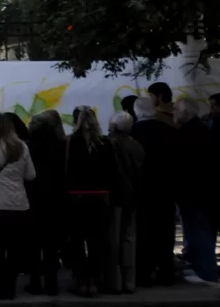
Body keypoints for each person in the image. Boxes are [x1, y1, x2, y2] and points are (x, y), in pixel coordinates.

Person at [0, 112, 36, 301]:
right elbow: (31, 176)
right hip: (19, 202)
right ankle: (11, 285)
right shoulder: (22, 146)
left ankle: (0, 285)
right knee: (14, 245)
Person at [64, 106, 116, 297]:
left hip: (75, 198)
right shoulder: (105, 143)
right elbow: (112, 172)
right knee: (97, 242)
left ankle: (80, 281)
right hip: (100, 197)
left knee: (76, 241)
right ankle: (94, 281)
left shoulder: (69, 142)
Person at [130, 96, 179, 287]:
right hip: (165, 190)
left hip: (141, 191)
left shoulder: (133, 132)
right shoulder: (169, 131)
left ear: (136, 112)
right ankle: (166, 273)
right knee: (165, 232)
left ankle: (143, 273)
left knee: (143, 233)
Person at [173, 98, 217, 284]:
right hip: (203, 192)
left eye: (176, 110)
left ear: (185, 113)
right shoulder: (203, 130)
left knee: (199, 232)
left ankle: (206, 272)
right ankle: (202, 268)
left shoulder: (189, 134)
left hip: (194, 193)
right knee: (201, 231)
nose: (173, 113)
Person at [25, 109, 66, 296]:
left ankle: (35, 282)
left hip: (33, 198)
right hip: (56, 198)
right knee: (51, 245)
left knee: (33, 244)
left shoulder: (28, 147)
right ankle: (52, 284)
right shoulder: (62, 145)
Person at [107, 111, 144, 294]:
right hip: (132, 197)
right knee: (129, 239)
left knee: (113, 240)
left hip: (114, 198)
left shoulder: (108, 144)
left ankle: (115, 282)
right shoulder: (137, 145)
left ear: (113, 126)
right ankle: (130, 282)